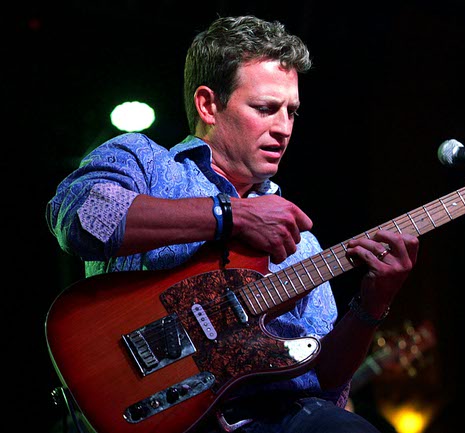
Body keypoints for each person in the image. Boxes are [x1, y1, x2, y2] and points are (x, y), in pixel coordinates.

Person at [46, 15, 419, 433]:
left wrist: (371, 306)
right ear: (208, 104)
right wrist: (230, 215)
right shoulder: (144, 161)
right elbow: (83, 221)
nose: (283, 128)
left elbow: (324, 385)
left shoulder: (301, 243)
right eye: (265, 108)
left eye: (291, 112)